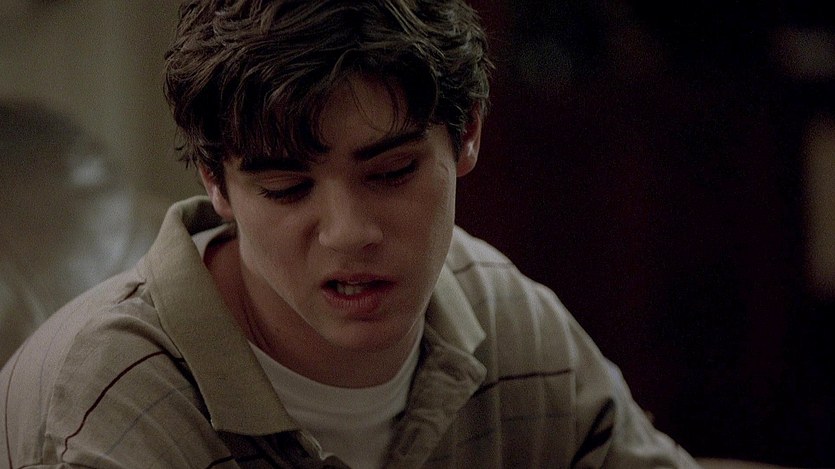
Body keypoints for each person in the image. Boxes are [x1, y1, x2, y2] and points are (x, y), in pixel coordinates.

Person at [0, 0, 700, 467]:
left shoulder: (506, 317)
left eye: (391, 173)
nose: (348, 234)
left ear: (466, 135)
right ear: (216, 181)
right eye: (286, 188)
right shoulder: (109, 408)